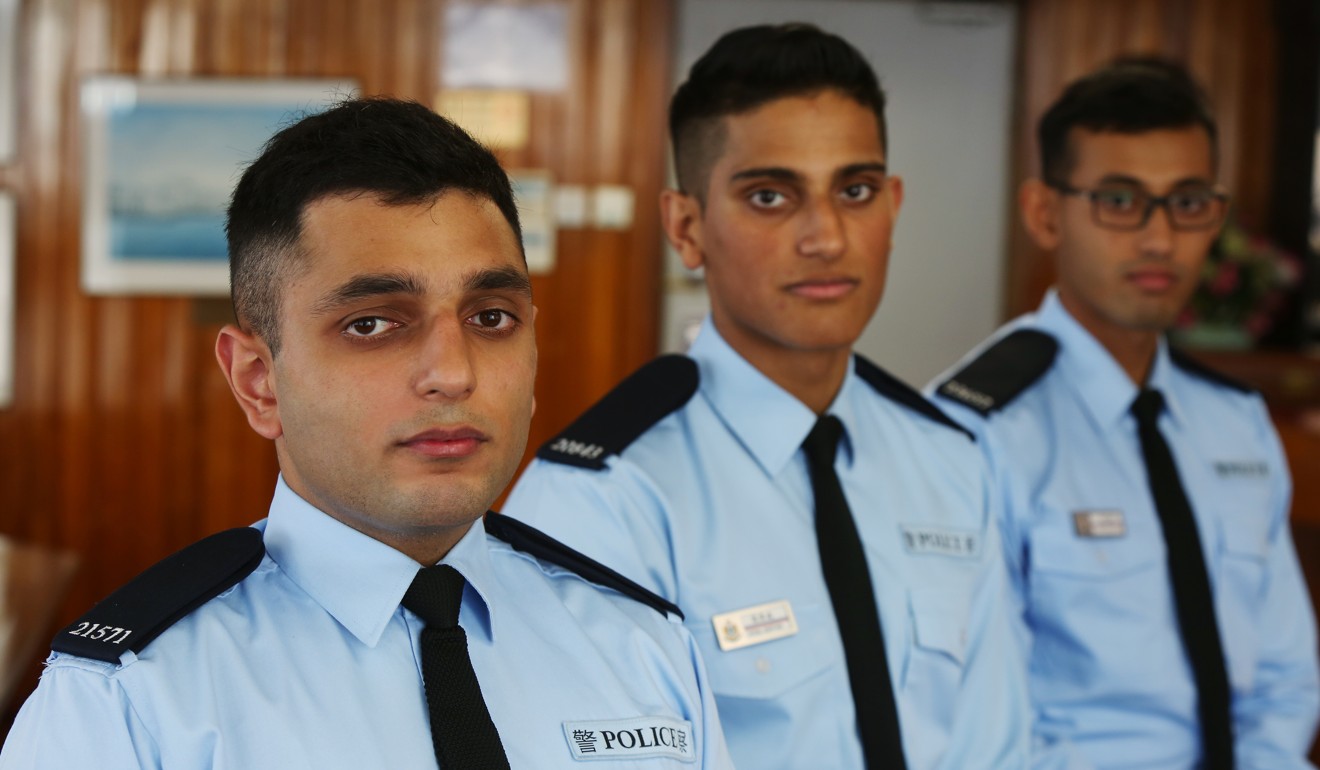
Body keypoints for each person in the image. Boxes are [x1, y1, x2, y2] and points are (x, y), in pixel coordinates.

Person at [0, 97, 733, 769]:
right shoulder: (134, 705)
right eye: (372, 323)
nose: (453, 373)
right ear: (259, 381)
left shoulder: (644, 647)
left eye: (490, 318)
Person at [504, 23, 1030, 769]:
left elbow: (997, 744)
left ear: (894, 206)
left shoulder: (949, 458)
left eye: (855, 190)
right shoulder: (602, 502)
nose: (825, 236)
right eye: (770, 195)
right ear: (687, 228)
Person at [930, 58, 1320, 768]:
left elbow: (1284, 677)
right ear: (1045, 214)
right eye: (1119, 200)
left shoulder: (1235, 421)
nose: (1159, 238)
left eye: (1189, 201)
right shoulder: (974, 431)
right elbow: (974, 722)